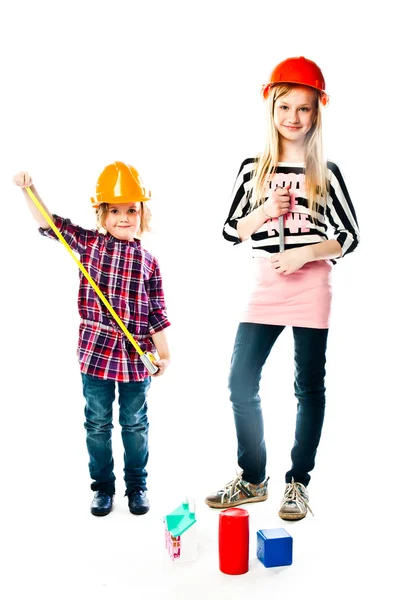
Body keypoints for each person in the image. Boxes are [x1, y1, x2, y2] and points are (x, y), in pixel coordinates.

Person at [205, 57, 360, 520]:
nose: (293, 117)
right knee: (239, 380)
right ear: (271, 109)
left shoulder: (326, 174)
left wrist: (305, 254)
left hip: (311, 286)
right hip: (265, 288)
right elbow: (232, 230)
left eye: (304, 108)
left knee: (308, 386)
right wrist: (266, 209)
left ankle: (298, 483)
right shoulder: (253, 169)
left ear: (317, 114)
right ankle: (253, 478)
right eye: (285, 107)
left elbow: (349, 236)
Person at [13, 161, 171, 517]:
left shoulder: (149, 261)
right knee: (97, 423)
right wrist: (29, 189)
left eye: (131, 209)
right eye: (114, 210)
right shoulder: (89, 245)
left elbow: (157, 313)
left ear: (142, 212)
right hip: (96, 353)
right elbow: (48, 223)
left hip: (134, 357)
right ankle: (102, 488)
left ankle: (137, 486)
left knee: (135, 423)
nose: (124, 217)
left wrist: (164, 354)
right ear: (101, 213)